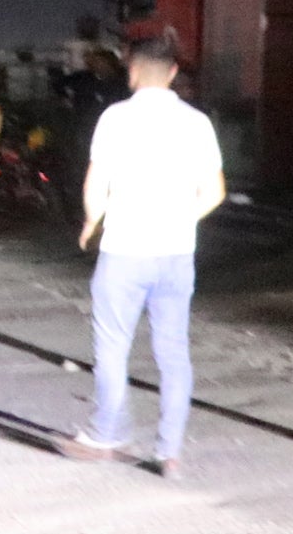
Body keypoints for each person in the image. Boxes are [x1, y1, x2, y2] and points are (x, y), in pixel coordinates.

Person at [58, 37, 226, 479]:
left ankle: (106, 434)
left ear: (132, 71)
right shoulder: (197, 123)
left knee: (113, 347)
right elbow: (215, 192)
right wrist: (178, 220)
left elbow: (96, 185)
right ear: (173, 73)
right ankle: (168, 452)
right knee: (173, 352)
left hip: (125, 250)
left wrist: (92, 223)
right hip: (176, 254)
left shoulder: (116, 118)